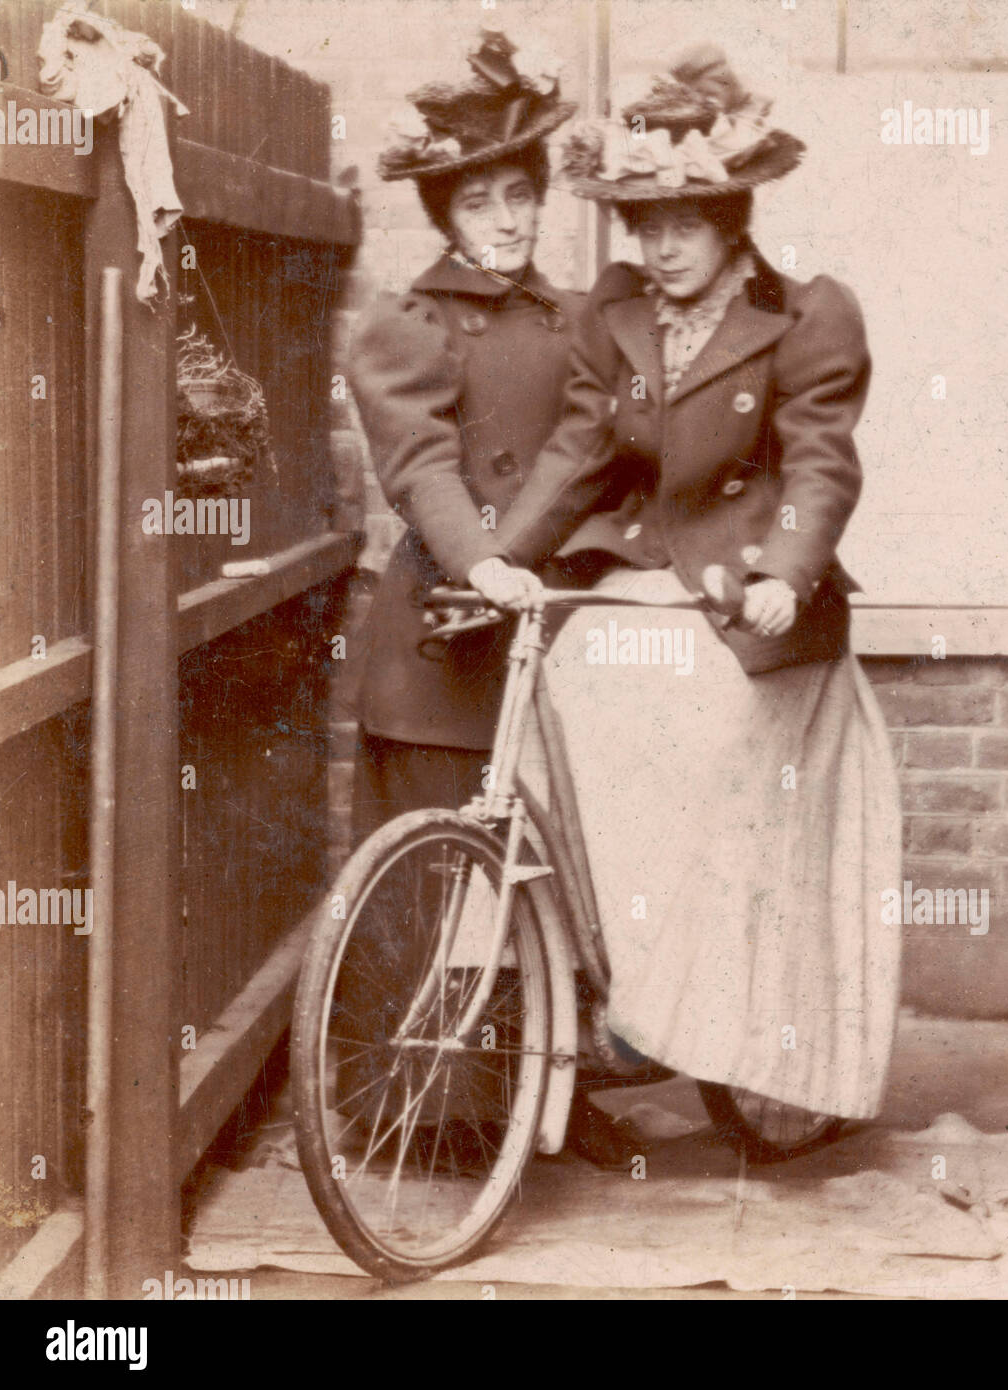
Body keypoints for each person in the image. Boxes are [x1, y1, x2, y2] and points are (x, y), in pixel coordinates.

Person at [467, 47, 902, 1124]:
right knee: (557, 700)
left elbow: (820, 463)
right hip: (648, 578)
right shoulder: (614, 316)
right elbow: (576, 454)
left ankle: (669, 1005)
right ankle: (606, 977)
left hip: (751, 596)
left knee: (701, 731)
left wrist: (790, 577)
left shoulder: (807, 317)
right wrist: (503, 558)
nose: (660, 249)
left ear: (731, 220)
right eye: (643, 226)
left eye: (683, 225)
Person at [345, 29, 630, 1167]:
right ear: (447, 214)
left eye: (522, 195)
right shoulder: (406, 324)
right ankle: (410, 1111)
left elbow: (601, 450)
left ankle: (540, 1098)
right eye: (482, 202)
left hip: (543, 642)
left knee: (538, 879)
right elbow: (417, 469)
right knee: (430, 887)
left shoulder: (573, 321)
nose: (508, 220)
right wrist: (486, 563)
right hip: (446, 636)